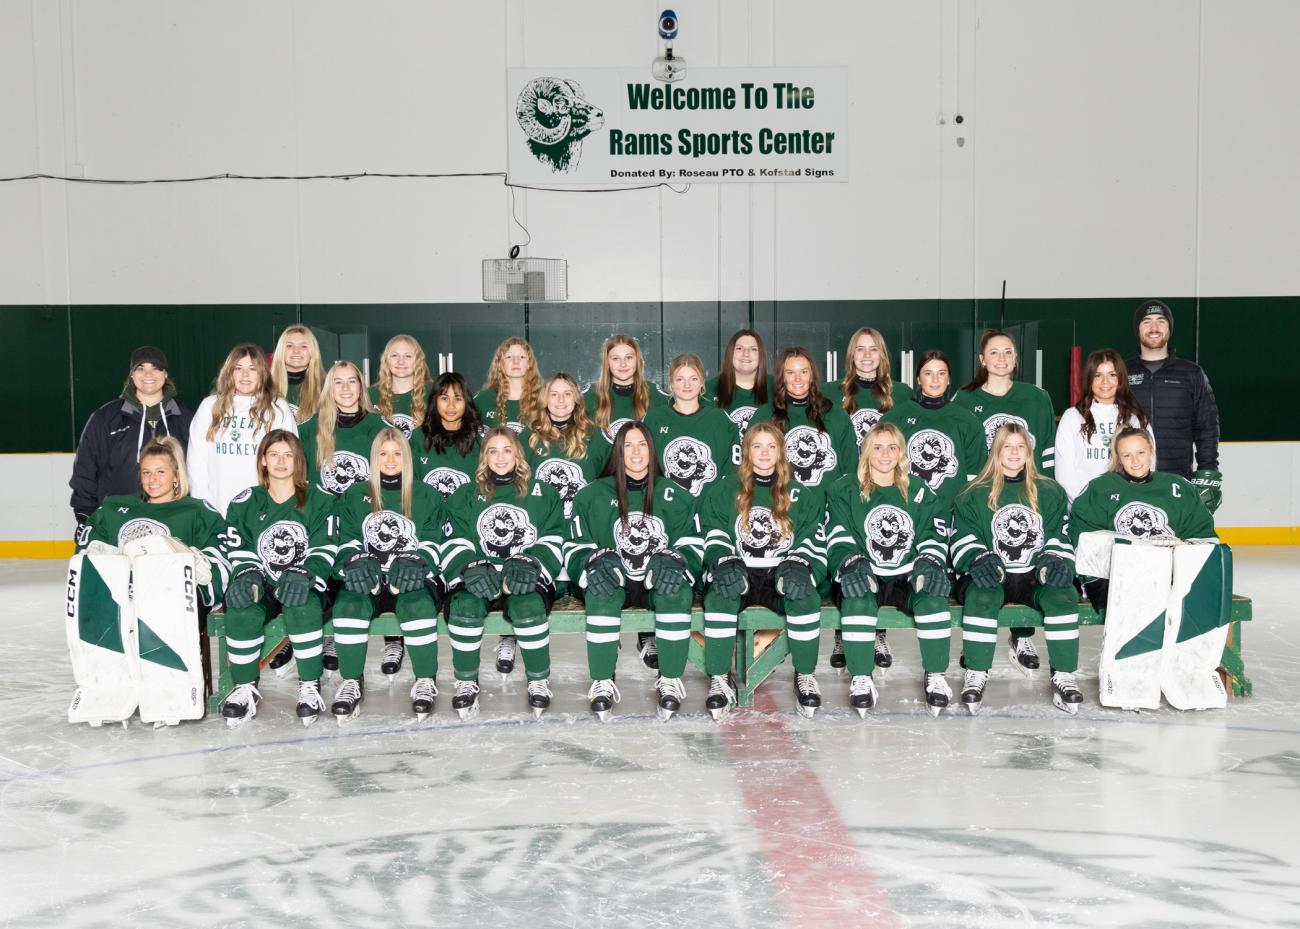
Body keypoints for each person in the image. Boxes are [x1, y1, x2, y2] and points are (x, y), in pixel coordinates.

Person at [565, 422, 703, 722]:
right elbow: (574, 548)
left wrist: (677, 561)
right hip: (617, 579)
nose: (636, 451)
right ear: (618, 451)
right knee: (600, 591)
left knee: (674, 589)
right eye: (628, 445)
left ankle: (669, 679)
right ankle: (602, 680)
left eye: (642, 444)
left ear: (652, 450)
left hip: (654, 580)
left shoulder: (676, 495)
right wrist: (593, 564)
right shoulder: (592, 496)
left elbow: (694, 546)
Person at [949, 423, 1082, 715]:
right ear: (996, 450)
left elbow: (1061, 534)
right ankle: (976, 671)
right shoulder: (973, 493)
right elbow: (961, 536)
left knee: (1063, 593)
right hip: (995, 575)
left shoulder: (1049, 491)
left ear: (1029, 451)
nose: (1013, 452)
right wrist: (977, 558)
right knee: (980, 595)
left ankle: (1063, 674)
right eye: (1007, 446)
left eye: (1020, 446)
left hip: (1034, 574)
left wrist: (1055, 558)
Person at [699, 422, 828, 719]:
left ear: (781, 452)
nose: (764, 452)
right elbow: (712, 529)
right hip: (741, 569)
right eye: (757, 446)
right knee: (720, 596)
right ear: (746, 452)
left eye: (771, 446)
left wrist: (801, 564)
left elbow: (812, 537)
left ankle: (805, 675)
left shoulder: (800, 493)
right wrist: (722, 560)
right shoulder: (725, 489)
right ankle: (719, 678)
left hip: (780, 571)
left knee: (804, 596)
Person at [824, 423, 954, 716]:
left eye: (892, 448)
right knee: (857, 598)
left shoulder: (918, 490)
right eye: (878, 447)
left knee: (932, 597)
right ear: (867, 451)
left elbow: (934, 533)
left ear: (901, 453)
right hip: (864, 572)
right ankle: (861, 676)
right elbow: (837, 533)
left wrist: (930, 560)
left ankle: (935, 674)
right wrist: (850, 563)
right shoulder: (844, 489)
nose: (885, 454)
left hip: (904, 573)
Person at [439, 427, 565, 719]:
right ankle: (467, 682)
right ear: (484, 456)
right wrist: (469, 566)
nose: (500, 457)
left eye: (507, 449)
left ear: (518, 453)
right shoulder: (465, 494)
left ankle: (538, 680)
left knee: (528, 605)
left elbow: (554, 537)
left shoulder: (543, 492)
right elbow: (453, 539)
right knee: (465, 607)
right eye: (492, 451)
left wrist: (533, 563)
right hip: (480, 573)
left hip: (524, 573)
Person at [218, 431, 338, 727]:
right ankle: (245, 686)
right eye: (274, 455)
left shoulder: (320, 499)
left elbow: (327, 546)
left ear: (299, 461)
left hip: (306, 582)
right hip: (264, 581)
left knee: (303, 605)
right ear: (262, 460)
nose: (281, 461)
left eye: (288, 455)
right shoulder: (245, 502)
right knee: (242, 607)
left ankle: (310, 684)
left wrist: (305, 572)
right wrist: (247, 575)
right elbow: (239, 548)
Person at [876, 350, 984, 670]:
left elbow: (975, 479)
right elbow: (882, 471)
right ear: (918, 379)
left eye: (941, 373)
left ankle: (971, 645)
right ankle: (877, 634)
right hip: (910, 519)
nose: (934, 379)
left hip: (952, 519)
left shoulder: (966, 419)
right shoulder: (896, 416)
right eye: (928, 373)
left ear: (949, 379)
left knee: (955, 584)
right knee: (890, 574)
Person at [330, 428, 445, 722]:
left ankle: (425, 680)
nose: (390, 460)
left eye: (397, 453)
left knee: (417, 604)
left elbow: (435, 539)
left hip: (411, 578)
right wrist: (355, 560)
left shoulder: (426, 494)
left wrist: (418, 560)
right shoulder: (356, 494)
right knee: (348, 604)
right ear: (374, 457)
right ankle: (352, 681)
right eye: (383, 454)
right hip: (372, 579)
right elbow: (346, 540)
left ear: (406, 457)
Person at [1069, 426, 1217, 609]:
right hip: (1116, 578)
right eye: (1127, 455)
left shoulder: (1179, 487)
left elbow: (1202, 536)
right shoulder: (1099, 489)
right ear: (1118, 458)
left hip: (1168, 575)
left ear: (1151, 451)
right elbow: (1086, 543)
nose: (1135, 460)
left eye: (1141, 452)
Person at [75, 436, 228, 606]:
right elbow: (84, 553)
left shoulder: (197, 512)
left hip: (173, 605)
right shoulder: (113, 508)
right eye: (146, 472)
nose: (152, 479)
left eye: (161, 472)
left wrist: (197, 594)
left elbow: (219, 562)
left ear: (176, 475)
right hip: (118, 600)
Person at [70, 346, 195, 528]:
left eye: (155, 368)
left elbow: (200, 469)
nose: (148, 374)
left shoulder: (187, 418)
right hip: (118, 518)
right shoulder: (105, 418)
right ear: (131, 375)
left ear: (165, 374)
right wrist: (84, 515)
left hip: (175, 517)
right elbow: (85, 470)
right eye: (141, 368)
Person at [1125, 299, 1222, 512]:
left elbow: (1207, 427)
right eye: (1146, 322)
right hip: (1128, 481)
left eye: (1161, 321)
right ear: (1137, 329)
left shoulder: (1191, 373)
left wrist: (1208, 472)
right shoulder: (1123, 372)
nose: (1154, 328)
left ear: (1169, 328)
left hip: (1176, 479)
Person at [189, 344, 297, 516]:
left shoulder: (277, 408)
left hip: (263, 509)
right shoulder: (210, 406)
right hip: (218, 508)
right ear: (229, 372)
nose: (245, 375)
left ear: (262, 373)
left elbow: (291, 460)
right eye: (238, 368)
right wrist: (204, 508)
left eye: (252, 369)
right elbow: (197, 462)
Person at [953, 329, 1057, 474]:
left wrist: (1048, 488)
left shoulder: (1037, 397)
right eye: (994, 352)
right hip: (984, 490)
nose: (1002, 358)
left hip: (1029, 489)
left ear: (1015, 358)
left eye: (1008, 352)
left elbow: (1048, 449)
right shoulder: (964, 399)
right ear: (982, 360)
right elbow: (958, 452)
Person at [750, 347, 857, 488]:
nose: (798, 379)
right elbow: (750, 467)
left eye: (804, 372)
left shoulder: (836, 415)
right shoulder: (764, 415)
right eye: (790, 373)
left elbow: (851, 470)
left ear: (812, 375)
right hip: (782, 506)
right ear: (782, 377)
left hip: (828, 507)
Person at [1054, 349, 1151, 501]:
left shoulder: (1135, 418)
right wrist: (1087, 505)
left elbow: (1149, 463)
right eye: (1098, 375)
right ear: (1089, 379)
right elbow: (1064, 473)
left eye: (1112, 375)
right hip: (1085, 507)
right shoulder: (1072, 417)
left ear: (1121, 379)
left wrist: (1133, 501)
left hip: (1127, 505)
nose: (1105, 382)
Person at [644, 352, 738, 499]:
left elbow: (734, 469)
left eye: (693, 379)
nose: (687, 385)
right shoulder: (654, 419)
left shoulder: (720, 419)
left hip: (709, 508)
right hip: (666, 508)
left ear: (702, 382)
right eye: (680, 379)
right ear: (671, 383)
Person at [298, 361, 388, 497]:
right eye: (338, 382)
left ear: (361, 387)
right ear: (329, 388)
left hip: (363, 510)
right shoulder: (309, 428)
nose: (345, 388)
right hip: (323, 513)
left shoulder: (381, 428)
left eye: (352, 381)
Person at [822, 327, 914, 449]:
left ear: (882, 354)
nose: (867, 355)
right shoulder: (829, 392)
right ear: (852, 354)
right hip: (847, 468)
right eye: (860, 349)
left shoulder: (903, 393)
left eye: (874, 349)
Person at [584, 333, 668, 443]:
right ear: (607, 363)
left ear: (637, 360)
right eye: (615, 358)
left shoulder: (658, 397)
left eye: (629, 357)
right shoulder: (588, 396)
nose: (623, 364)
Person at [415, 372, 483, 501]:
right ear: (435, 401)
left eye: (458, 398)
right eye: (444, 398)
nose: (451, 405)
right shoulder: (417, 438)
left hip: (465, 518)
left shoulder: (480, 441)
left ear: (466, 402)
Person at [705, 329, 774, 440]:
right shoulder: (708, 390)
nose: (746, 354)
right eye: (739, 348)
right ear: (730, 353)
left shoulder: (777, 387)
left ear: (761, 355)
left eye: (753, 349)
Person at [370, 334, 431, 440]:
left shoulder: (434, 394)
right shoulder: (369, 395)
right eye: (394, 355)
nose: (401, 361)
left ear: (418, 361)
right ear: (386, 360)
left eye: (408, 356)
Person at [476, 337, 542, 433]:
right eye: (509, 357)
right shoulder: (483, 399)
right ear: (500, 364)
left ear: (529, 364)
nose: (516, 361)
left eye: (522, 357)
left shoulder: (543, 399)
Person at [270, 326, 325, 424]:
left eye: (304, 346)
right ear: (281, 350)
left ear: (313, 352)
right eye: (289, 346)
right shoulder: (265, 386)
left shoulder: (327, 386)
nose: (296, 350)